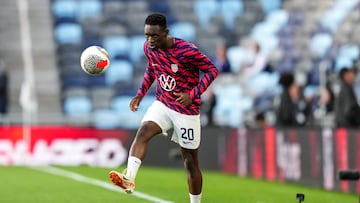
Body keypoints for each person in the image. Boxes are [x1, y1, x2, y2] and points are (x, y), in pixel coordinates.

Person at [108, 13, 218, 203]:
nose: (150, 40)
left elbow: (212, 70)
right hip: (163, 103)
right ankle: (129, 179)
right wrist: (140, 94)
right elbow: (152, 68)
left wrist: (192, 95)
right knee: (143, 132)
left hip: (186, 111)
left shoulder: (186, 50)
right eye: (147, 36)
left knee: (190, 162)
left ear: (165, 33)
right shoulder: (149, 48)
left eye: (154, 36)